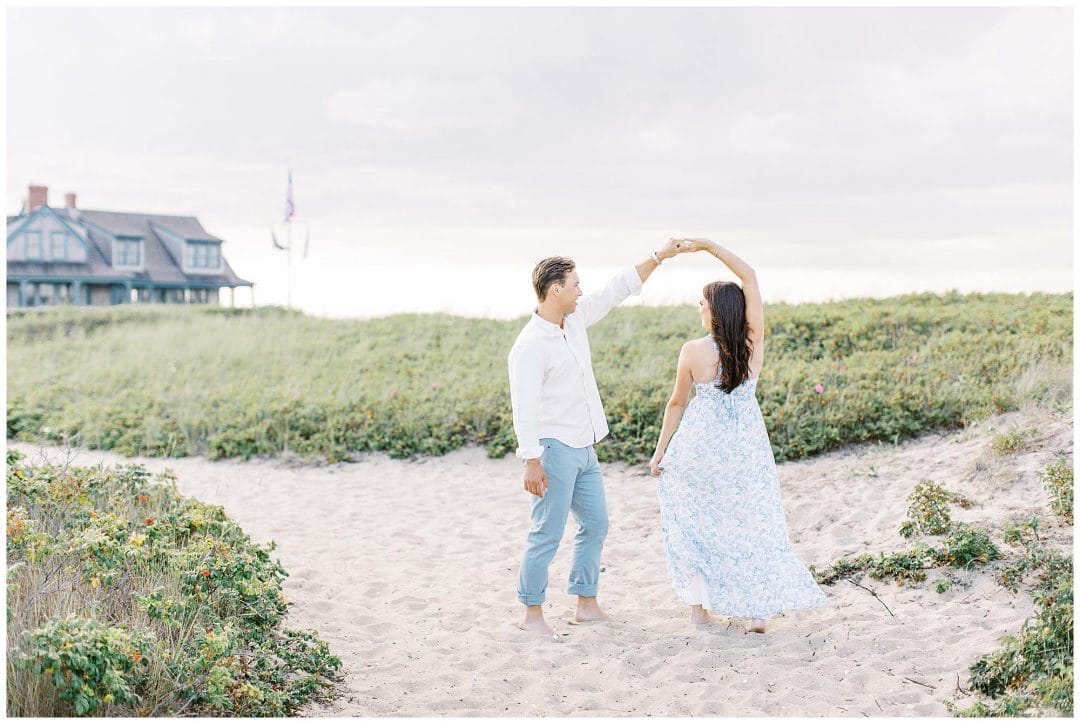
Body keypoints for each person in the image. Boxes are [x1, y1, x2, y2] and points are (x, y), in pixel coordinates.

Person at [508, 241, 689, 640]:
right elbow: (523, 408)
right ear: (555, 289)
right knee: (547, 533)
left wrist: (659, 257)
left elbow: (617, 288)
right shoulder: (529, 345)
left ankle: (585, 604)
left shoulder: (572, 322)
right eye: (574, 284)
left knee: (596, 524)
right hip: (552, 450)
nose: (580, 291)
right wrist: (531, 460)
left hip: (585, 447)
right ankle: (532, 613)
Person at [650, 238, 828, 633]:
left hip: (701, 449)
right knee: (751, 523)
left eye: (702, 302)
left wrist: (660, 452)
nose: (699, 308)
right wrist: (709, 247)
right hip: (747, 449)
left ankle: (700, 610)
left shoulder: (692, 351)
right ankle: (757, 613)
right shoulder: (752, 344)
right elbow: (749, 275)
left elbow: (675, 404)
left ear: (714, 312)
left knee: (697, 522)